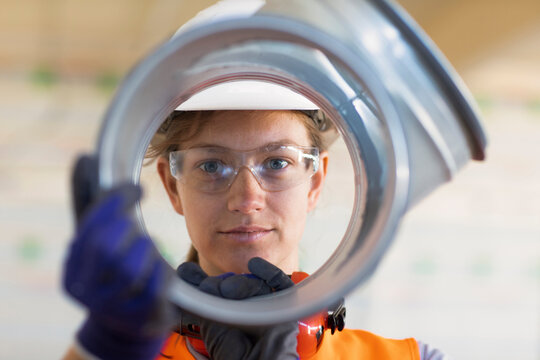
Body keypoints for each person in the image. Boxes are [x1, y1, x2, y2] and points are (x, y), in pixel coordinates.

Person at [62, 79, 451, 359]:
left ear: (314, 181)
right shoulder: (115, 349)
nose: (246, 200)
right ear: (172, 185)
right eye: (211, 165)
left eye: (277, 163)